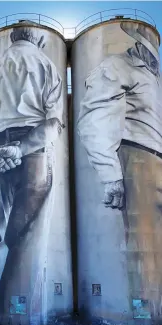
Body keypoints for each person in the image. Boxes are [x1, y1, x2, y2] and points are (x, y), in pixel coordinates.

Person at [0, 24, 64, 317]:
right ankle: (16, 313)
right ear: (37, 39)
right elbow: (53, 123)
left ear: (13, 38)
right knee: (28, 234)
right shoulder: (46, 64)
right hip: (32, 150)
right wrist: (21, 149)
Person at [77, 22, 161, 304]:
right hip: (139, 159)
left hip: (158, 160)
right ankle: (145, 313)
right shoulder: (116, 66)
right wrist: (110, 174)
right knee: (145, 251)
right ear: (138, 43)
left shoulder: (154, 77)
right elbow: (93, 119)